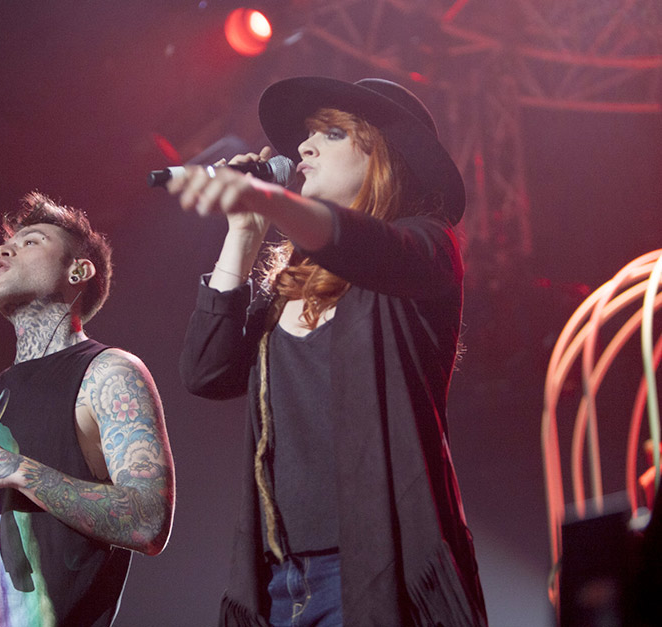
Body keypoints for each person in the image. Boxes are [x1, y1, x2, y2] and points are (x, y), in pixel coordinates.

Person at [168, 77, 486, 626]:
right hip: (279, 581)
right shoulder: (288, 286)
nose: (304, 147)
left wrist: (273, 200)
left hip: (376, 573)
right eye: (307, 136)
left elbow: (370, 246)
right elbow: (206, 371)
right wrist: (244, 231)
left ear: (384, 158)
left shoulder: (427, 248)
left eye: (331, 134)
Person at [0, 191, 175, 626]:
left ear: (78, 270)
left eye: (31, 241)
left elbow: (148, 520)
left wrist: (15, 470)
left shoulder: (107, 373)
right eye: (5, 245)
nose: (4, 250)